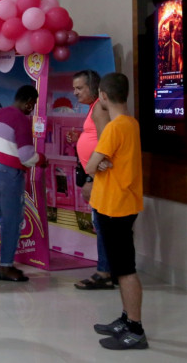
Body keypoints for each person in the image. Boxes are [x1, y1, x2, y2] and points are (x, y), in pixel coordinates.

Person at [86, 73, 148, 350]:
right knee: (121, 269)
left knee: (125, 270)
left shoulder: (113, 128)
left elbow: (90, 165)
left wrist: (97, 163)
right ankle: (126, 319)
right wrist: (100, 163)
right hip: (121, 203)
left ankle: (135, 328)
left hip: (115, 206)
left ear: (103, 96)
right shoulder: (131, 123)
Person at [0, 84, 46, 282]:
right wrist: (41, 159)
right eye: (32, 105)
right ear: (27, 102)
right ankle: (6, 266)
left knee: (3, 218)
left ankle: (5, 261)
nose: (32, 109)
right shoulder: (21, 120)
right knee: (12, 220)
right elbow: (26, 157)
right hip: (9, 173)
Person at [69, 70, 114, 290]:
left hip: (99, 178)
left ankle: (104, 272)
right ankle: (106, 269)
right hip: (96, 176)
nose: (75, 92)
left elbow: (106, 144)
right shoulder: (93, 108)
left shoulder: (98, 108)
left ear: (93, 87)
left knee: (102, 224)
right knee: (101, 224)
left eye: (79, 88)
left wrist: (90, 178)